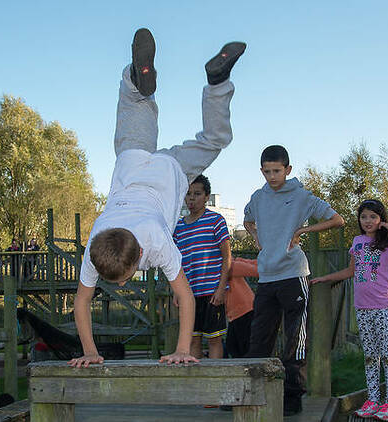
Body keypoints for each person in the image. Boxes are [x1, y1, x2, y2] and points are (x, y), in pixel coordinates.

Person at [68, 28, 246, 368]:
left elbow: (185, 295)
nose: (120, 283)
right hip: (133, 161)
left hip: (172, 172)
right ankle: (136, 82)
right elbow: (83, 301)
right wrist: (89, 352)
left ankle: (218, 83)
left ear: (137, 262)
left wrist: (183, 348)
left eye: (121, 278)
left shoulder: (158, 241)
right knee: (137, 102)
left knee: (215, 139)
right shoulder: (96, 243)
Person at [243, 145, 345, 416]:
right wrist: (258, 242)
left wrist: (304, 229)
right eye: (267, 171)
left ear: (287, 170)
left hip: (293, 275)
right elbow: (248, 221)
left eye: (277, 171)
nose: (272, 176)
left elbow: (338, 220)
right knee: (259, 337)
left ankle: (292, 396)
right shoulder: (257, 197)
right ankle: (253, 393)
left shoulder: (301, 196)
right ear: (262, 171)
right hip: (266, 276)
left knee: (295, 339)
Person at [311, 199, 388, 422]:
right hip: (362, 307)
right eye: (364, 216)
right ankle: (373, 400)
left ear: (381, 219)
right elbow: (351, 271)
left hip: (384, 306)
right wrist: (326, 278)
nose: (367, 221)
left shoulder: (387, 242)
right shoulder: (357, 241)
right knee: (370, 356)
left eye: (373, 217)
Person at [172, 174, 231, 360]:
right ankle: (197, 382)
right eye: (188, 194)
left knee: (214, 339)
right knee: (192, 340)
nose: (191, 198)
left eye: (197, 194)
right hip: (188, 293)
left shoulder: (216, 221)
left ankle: (216, 381)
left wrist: (221, 289)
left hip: (212, 292)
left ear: (207, 197)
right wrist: (176, 291)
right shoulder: (178, 227)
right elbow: (175, 263)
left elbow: (227, 257)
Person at [224, 257, 257, 359]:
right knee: (232, 346)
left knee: (242, 348)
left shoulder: (230, 267)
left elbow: (257, 270)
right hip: (234, 314)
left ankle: (248, 372)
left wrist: (238, 260)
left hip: (245, 311)